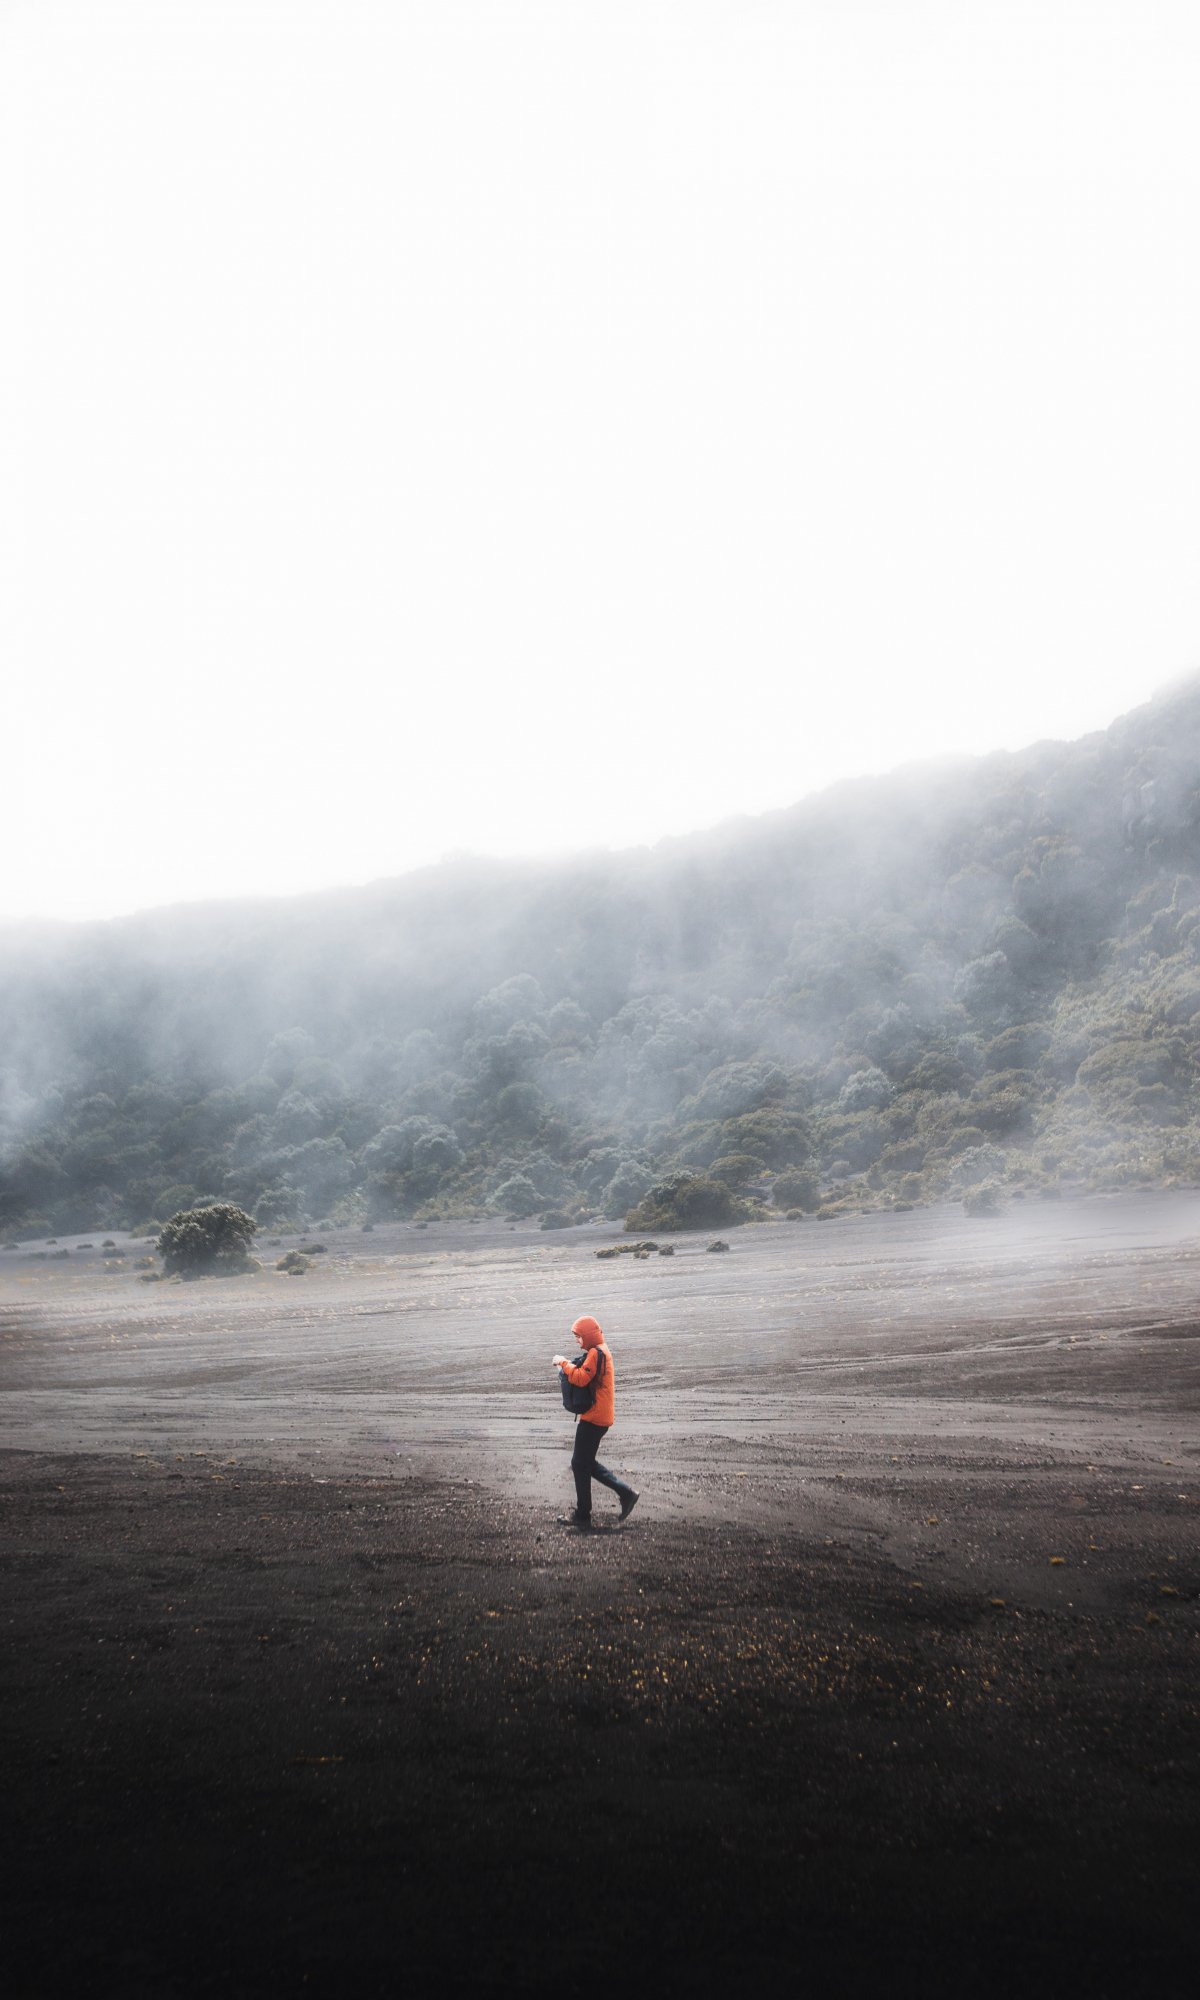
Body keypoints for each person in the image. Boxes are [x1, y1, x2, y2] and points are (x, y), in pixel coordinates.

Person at [552, 1313, 639, 1530]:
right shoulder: (601, 1350)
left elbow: (581, 1378)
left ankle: (586, 1514)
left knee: (579, 1463)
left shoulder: (596, 1353)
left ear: (589, 1335)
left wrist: (563, 1363)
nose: (577, 1341)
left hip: (595, 1418)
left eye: (578, 1336)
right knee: (585, 1463)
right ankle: (623, 1495)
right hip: (600, 1416)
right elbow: (586, 1374)